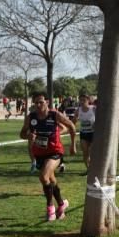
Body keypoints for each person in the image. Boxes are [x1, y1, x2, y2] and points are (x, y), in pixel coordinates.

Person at [20, 91, 76, 221]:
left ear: (47, 102)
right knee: (51, 181)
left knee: (43, 176)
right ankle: (61, 204)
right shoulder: (31, 117)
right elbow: (22, 134)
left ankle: (50, 208)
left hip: (55, 152)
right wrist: (28, 135)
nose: (39, 105)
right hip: (39, 153)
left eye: (41, 102)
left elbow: (72, 126)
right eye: (36, 103)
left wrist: (73, 145)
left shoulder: (54, 115)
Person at [74, 93, 96, 169]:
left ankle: (94, 168)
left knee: (92, 151)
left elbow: (100, 118)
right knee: (85, 152)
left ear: (88, 100)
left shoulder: (93, 108)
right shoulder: (78, 110)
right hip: (83, 133)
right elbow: (73, 121)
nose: (82, 102)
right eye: (80, 100)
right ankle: (88, 169)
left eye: (84, 100)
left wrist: (96, 124)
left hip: (93, 133)